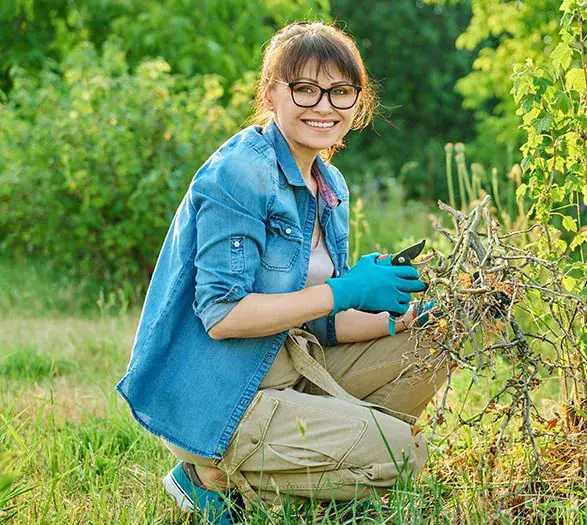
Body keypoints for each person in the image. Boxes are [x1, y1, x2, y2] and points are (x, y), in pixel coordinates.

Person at [115, 21, 446, 523]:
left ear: (358, 103)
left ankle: (317, 468)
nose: (324, 105)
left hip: (290, 370)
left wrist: (396, 321)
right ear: (271, 93)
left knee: (438, 339)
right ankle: (211, 478)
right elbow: (224, 315)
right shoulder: (241, 173)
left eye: (340, 92)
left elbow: (313, 319)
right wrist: (345, 288)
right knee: (404, 454)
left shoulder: (329, 184)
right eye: (305, 89)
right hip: (226, 398)